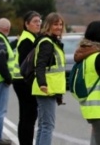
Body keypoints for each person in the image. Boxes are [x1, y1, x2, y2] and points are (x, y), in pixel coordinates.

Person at [31, 12, 66, 145]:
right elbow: (40, 65)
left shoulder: (53, 42)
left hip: (50, 89)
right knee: (48, 126)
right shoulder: (47, 43)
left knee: (43, 125)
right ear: (48, 26)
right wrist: (42, 84)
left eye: (61, 24)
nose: (59, 27)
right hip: (45, 89)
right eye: (55, 24)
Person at [12, 11, 42, 145]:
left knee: (25, 116)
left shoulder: (29, 37)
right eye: (35, 21)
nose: (38, 23)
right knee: (28, 117)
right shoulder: (27, 40)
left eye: (39, 21)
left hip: (21, 80)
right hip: (24, 81)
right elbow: (26, 64)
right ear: (26, 24)